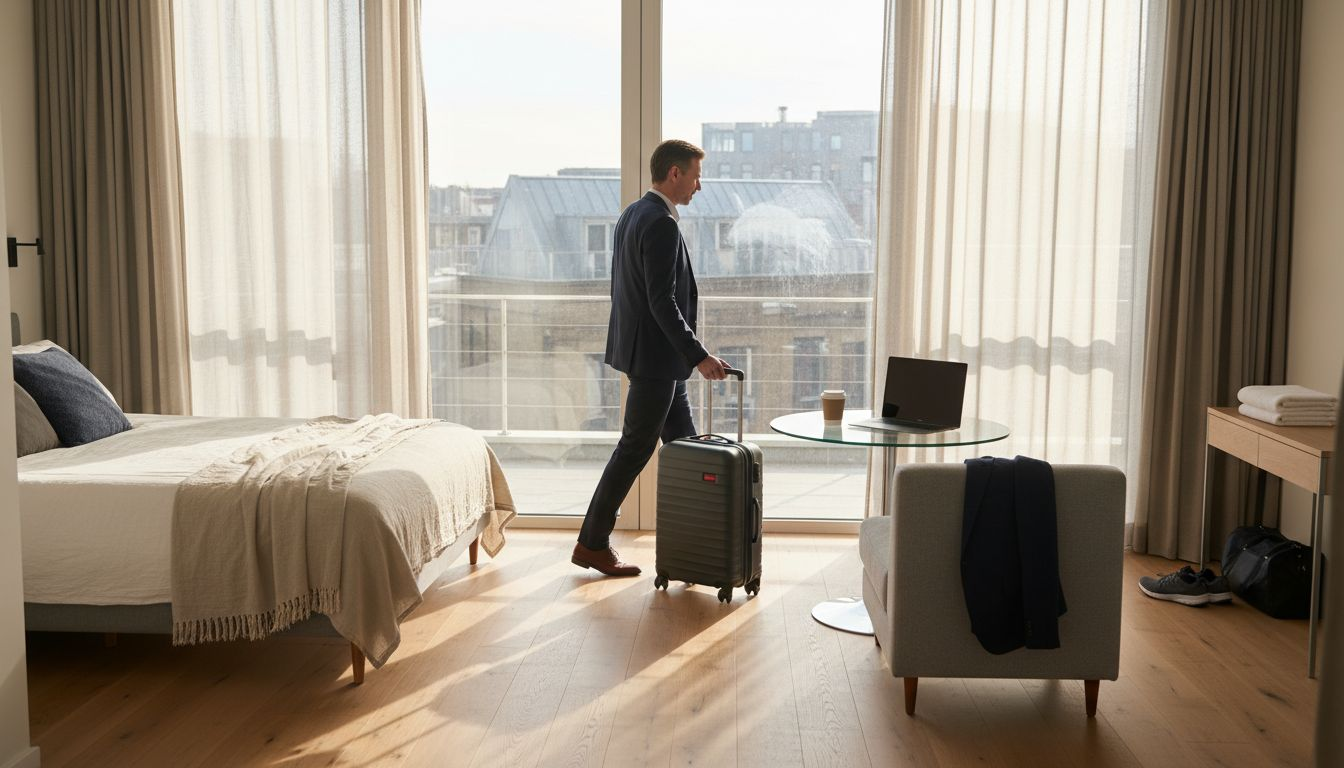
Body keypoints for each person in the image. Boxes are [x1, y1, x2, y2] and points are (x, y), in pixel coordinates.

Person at [571, 139, 730, 577]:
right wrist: (698, 355)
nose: (700, 185)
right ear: (674, 174)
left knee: (687, 450)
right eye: (696, 176)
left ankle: (700, 548)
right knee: (634, 449)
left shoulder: (632, 214)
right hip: (658, 362)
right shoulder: (660, 223)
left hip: (654, 359)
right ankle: (592, 542)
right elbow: (662, 301)